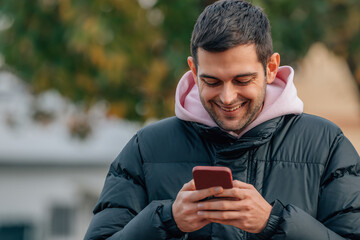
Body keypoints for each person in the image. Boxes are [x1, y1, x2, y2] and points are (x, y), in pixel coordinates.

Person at [84, 1, 360, 239]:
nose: (228, 98)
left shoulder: (326, 144)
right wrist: (167, 220)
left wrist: (274, 222)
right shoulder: (146, 148)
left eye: (242, 80)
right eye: (212, 81)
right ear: (193, 70)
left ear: (271, 68)